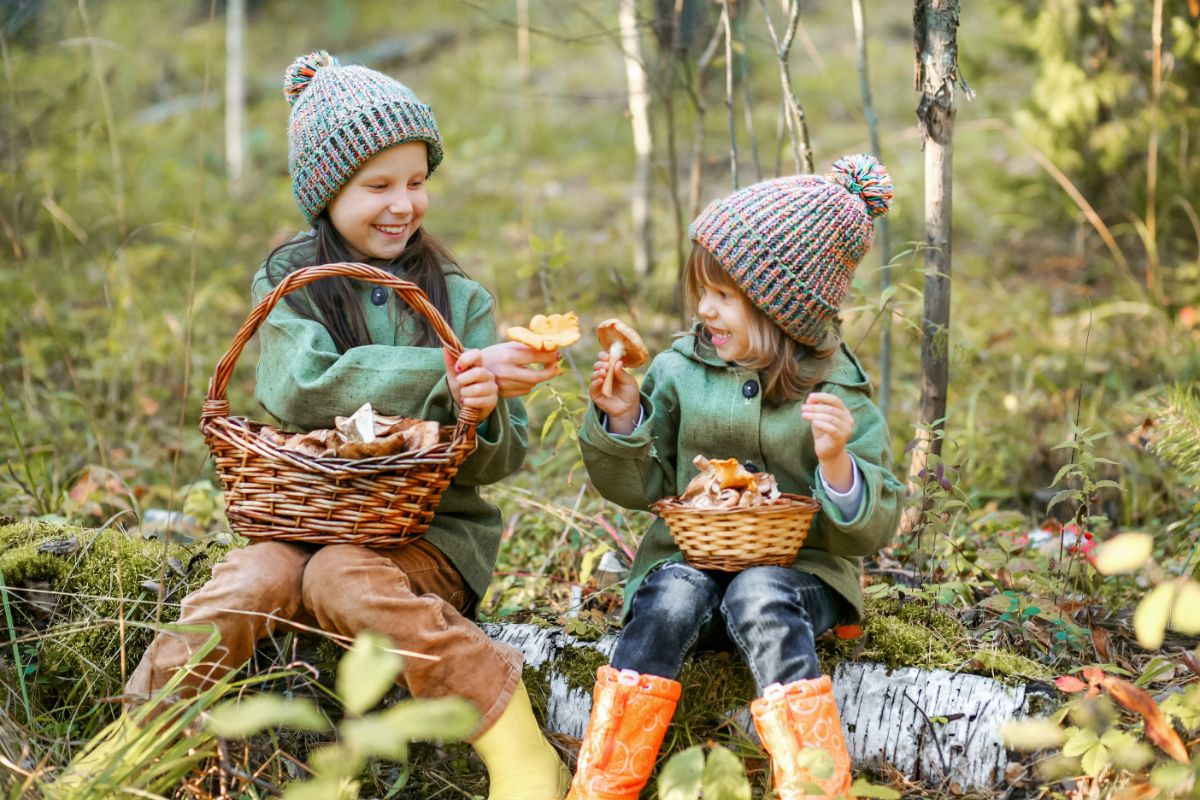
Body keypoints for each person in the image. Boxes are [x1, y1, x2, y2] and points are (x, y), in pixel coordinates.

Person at [79, 51, 567, 799]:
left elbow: (501, 462)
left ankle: (517, 744)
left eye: (416, 182)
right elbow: (297, 389)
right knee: (255, 575)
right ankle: (141, 736)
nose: (402, 204)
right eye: (378, 186)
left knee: (342, 573)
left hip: (427, 540)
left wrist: (481, 408)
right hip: (300, 522)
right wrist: (440, 373)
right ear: (326, 192)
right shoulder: (288, 285)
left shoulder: (458, 301)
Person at [568, 155, 904, 800]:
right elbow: (643, 485)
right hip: (689, 564)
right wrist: (625, 419)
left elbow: (874, 524)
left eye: (725, 296)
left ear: (783, 311)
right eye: (704, 291)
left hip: (799, 576)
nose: (705, 309)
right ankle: (605, 779)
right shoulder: (678, 371)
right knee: (668, 599)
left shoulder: (837, 393)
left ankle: (815, 784)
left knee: (758, 594)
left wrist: (837, 462)